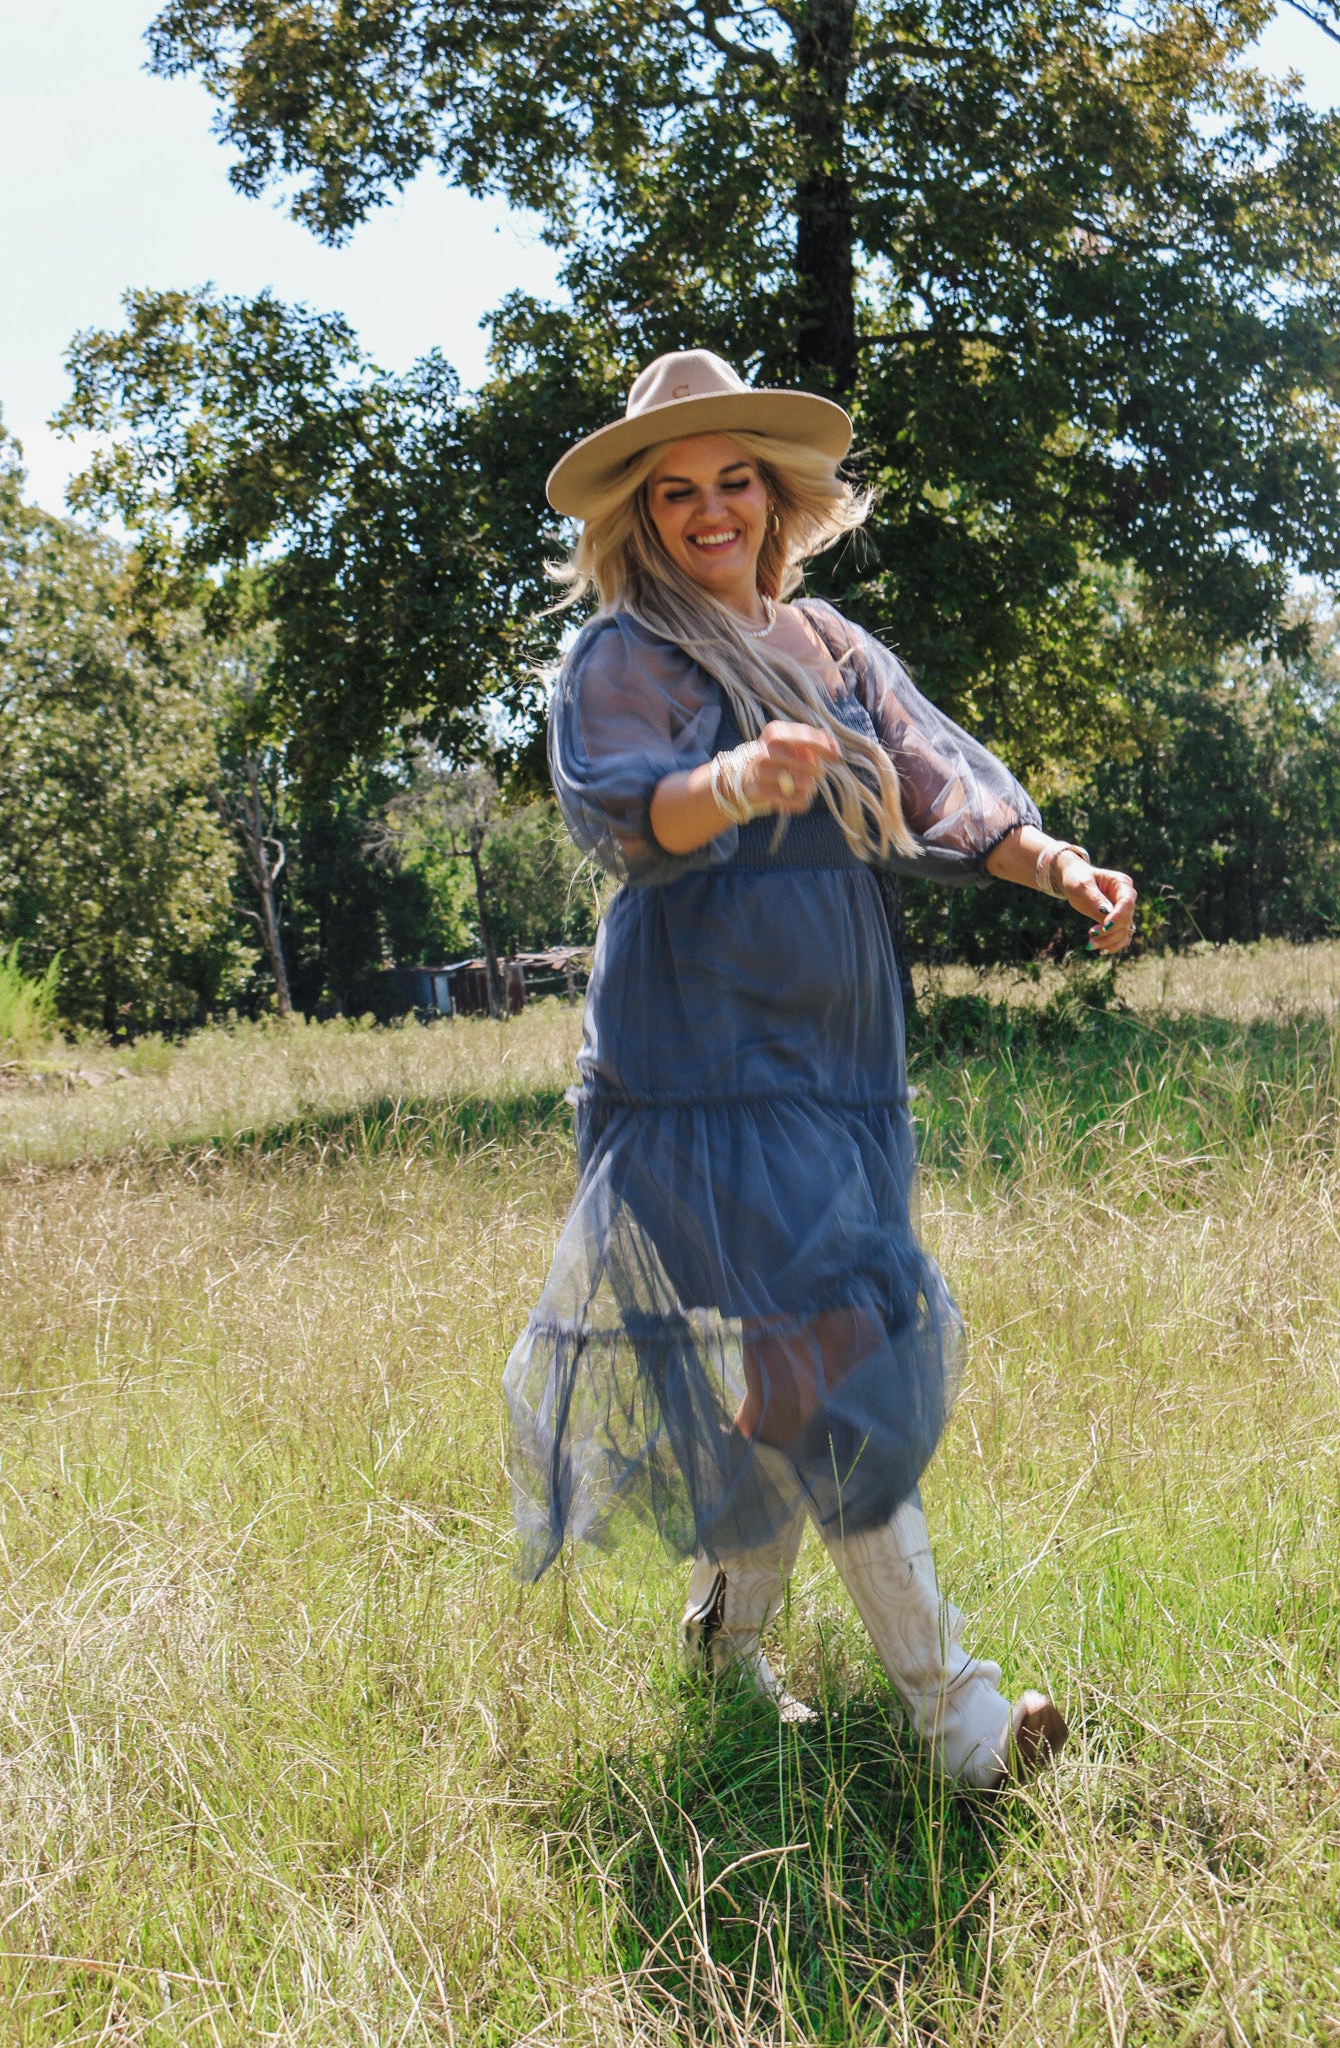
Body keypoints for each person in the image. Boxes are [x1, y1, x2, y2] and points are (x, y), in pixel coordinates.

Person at [503, 349, 1136, 1789]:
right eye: (674, 492)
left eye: (734, 482)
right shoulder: (627, 654)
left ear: (778, 497)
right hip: (697, 1062)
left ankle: (723, 1655)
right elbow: (623, 817)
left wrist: (1059, 867)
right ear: (640, 518)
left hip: (836, 1061)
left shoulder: (833, 646)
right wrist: (732, 781)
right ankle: (959, 1722)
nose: (708, 510)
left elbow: (938, 785)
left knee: (797, 1376)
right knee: (837, 1353)